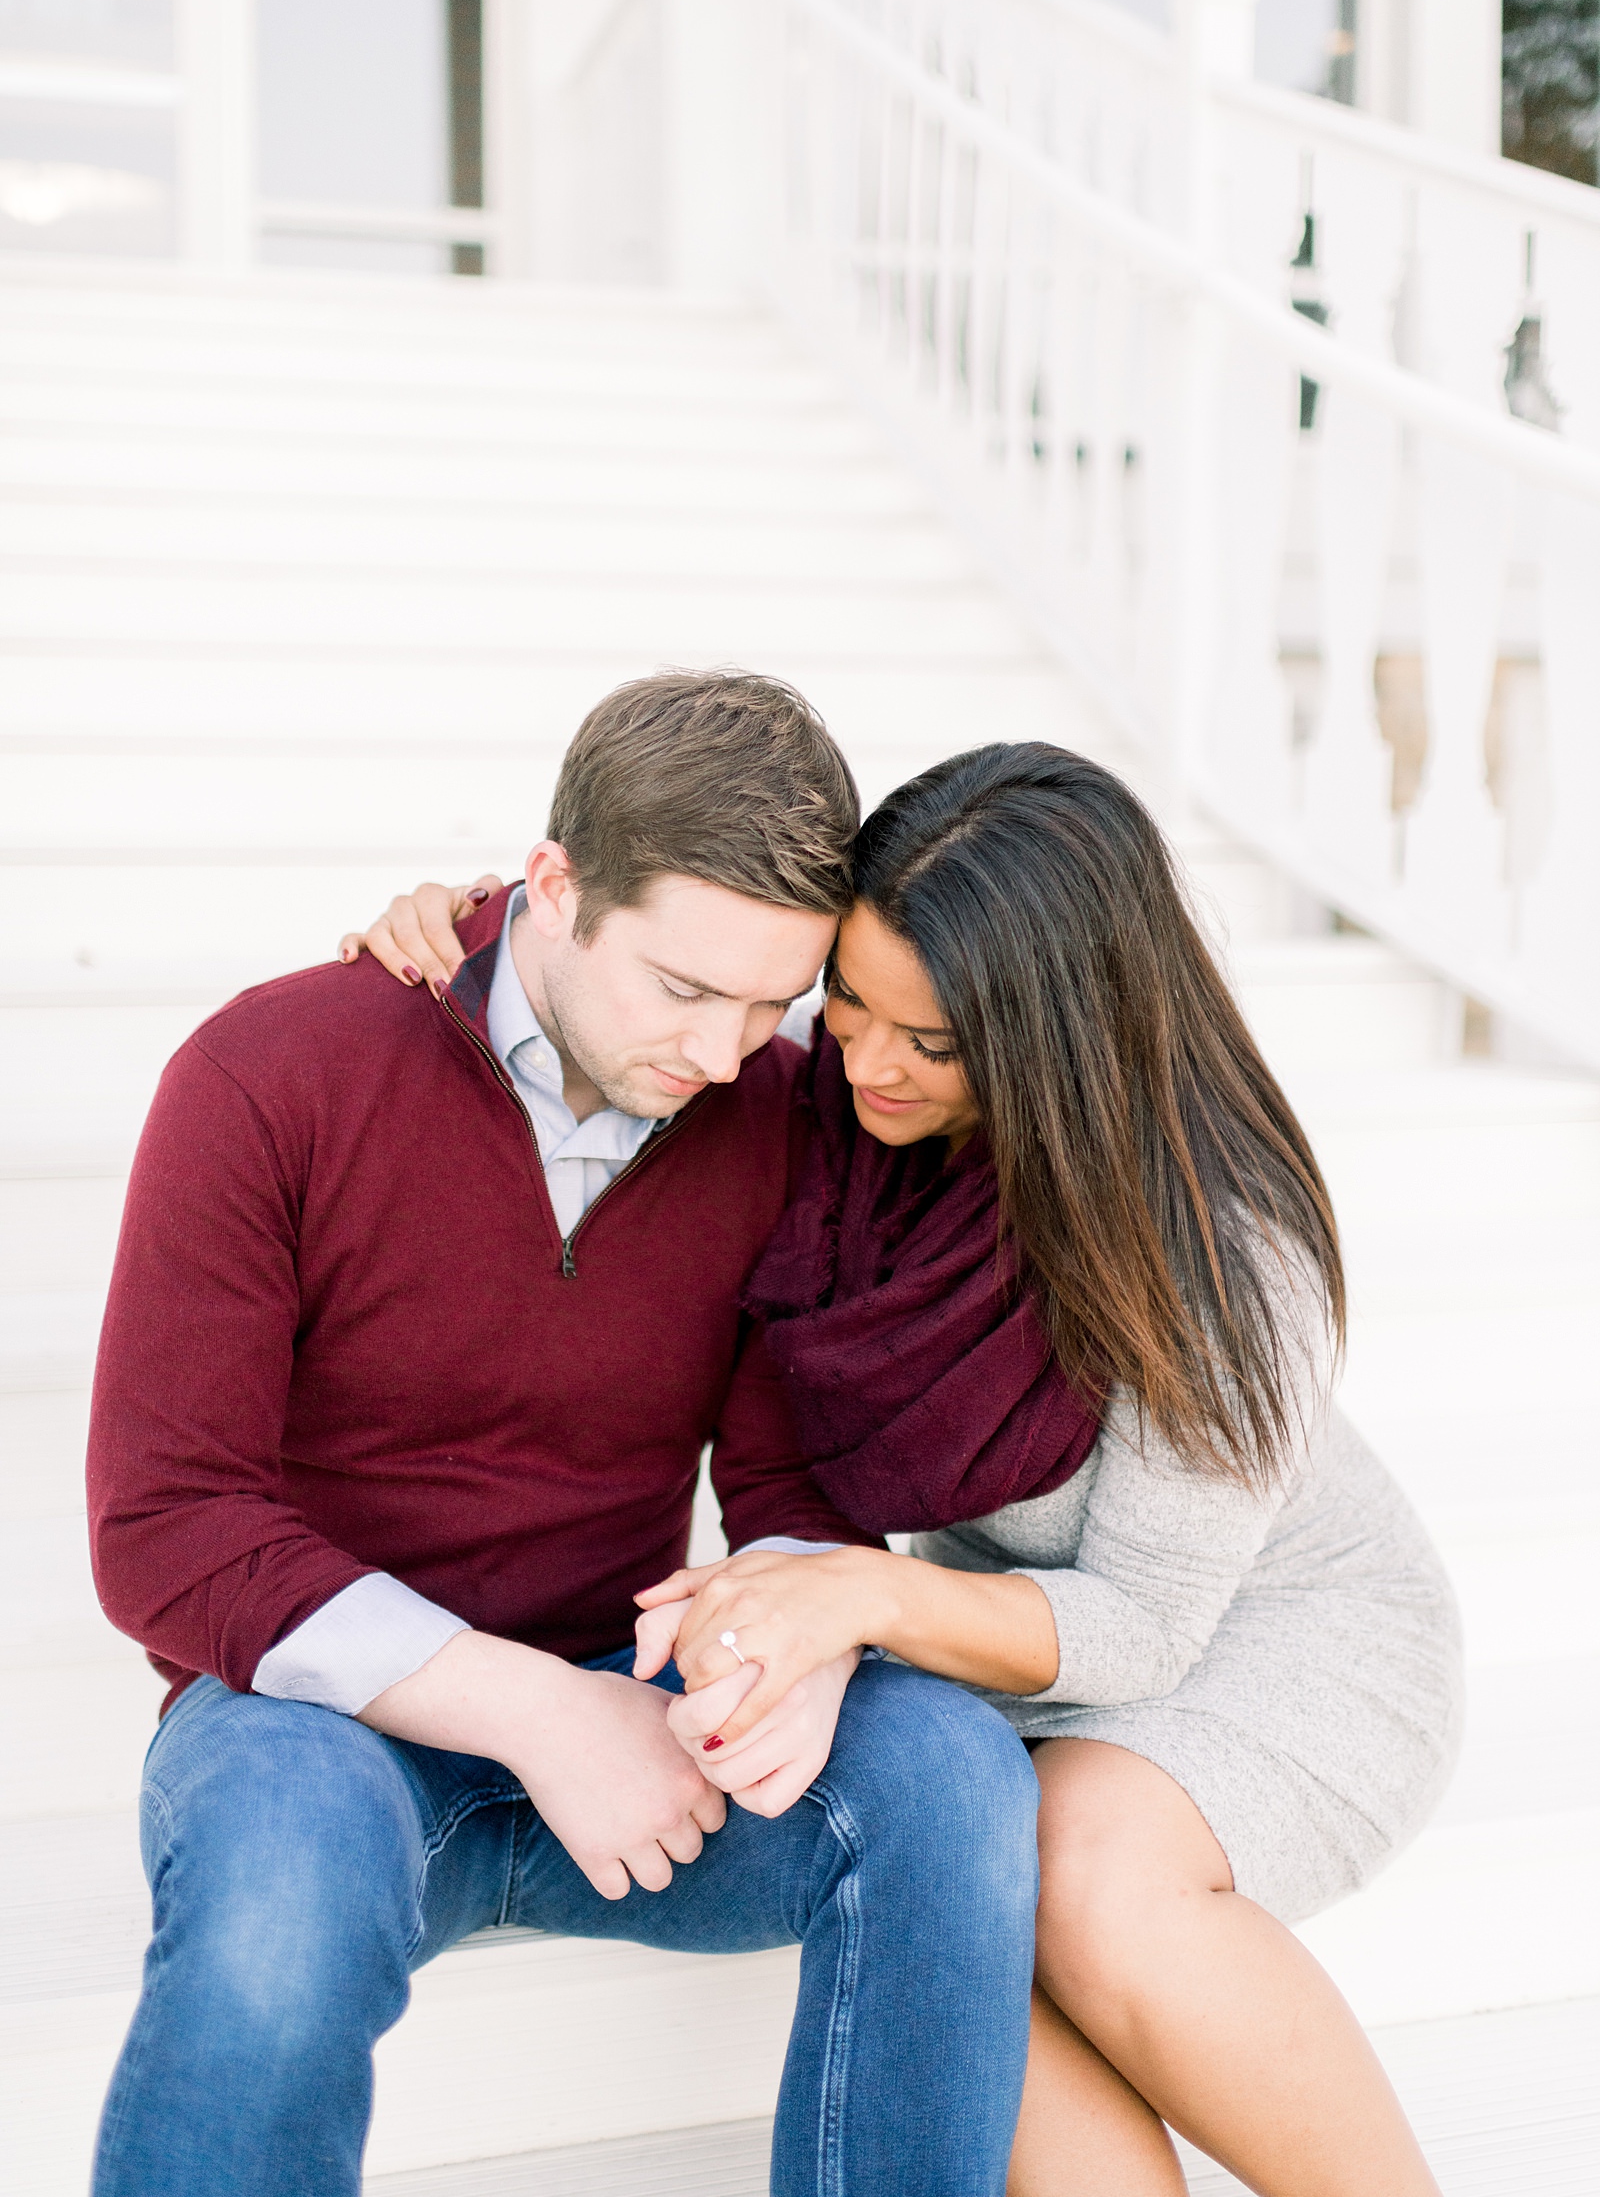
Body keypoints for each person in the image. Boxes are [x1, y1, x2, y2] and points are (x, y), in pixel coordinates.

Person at [367, 742, 1463, 2197]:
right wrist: (496, 932)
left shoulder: (1218, 1253)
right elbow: (658, 969)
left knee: (1080, 1869)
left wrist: (854, 1600)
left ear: (1055, 1037)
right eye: (850, 1008)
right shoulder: (835, 1117)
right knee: (959, 1888)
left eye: (934, 1043)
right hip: (1016, 1642)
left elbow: (1140, 1628)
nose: (869, 1066)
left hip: (1279, 1636)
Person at [86, 672, 1043, 2197]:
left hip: (641, 1709)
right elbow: (167, 1526)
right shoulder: (269, 1073)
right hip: (314, 1729)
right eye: (683, 989)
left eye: (769, 1002)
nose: (727, 1055)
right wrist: (534, 1712)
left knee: (951, 1775)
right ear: (551, 887)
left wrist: (798, 1641)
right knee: (267, 1917)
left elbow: (792, 1478)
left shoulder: (778, 1115)